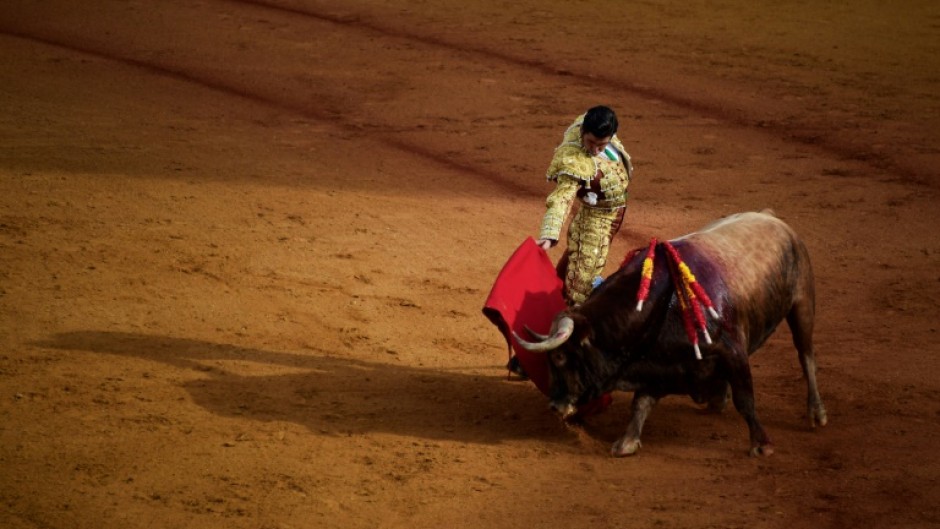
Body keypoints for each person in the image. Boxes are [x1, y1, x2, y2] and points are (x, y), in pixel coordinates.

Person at [537, 105, 634, 306]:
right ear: (582, 132)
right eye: (590, 142)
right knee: (580, 289)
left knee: (571, 269)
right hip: (595, 218)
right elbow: (562, 197)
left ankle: (553, 308)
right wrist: (549, 235)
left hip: (614, 210)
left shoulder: (597, 124)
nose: (595, 150)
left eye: (602, 145)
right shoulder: (572, 159)